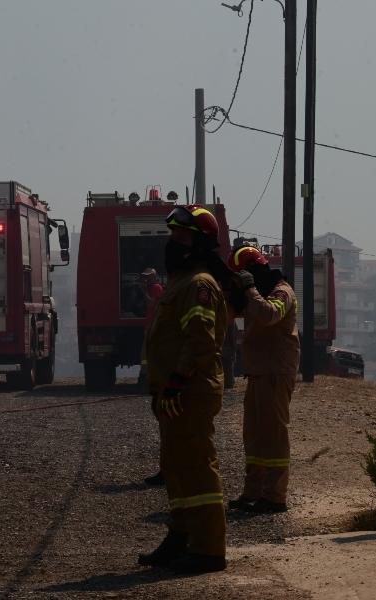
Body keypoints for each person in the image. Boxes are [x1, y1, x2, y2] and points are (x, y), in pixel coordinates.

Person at [138, 205, 228, 575]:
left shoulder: (199, 285)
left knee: (197, 469)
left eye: (181, 238)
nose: (172, 244)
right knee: (175, 469)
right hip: (172, 394)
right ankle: (180, 537)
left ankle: (209, 551)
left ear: (200, 245)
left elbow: (200, 342)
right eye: (171, 236)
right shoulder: (179, 282)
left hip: (189, 391)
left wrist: (176, 382)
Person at [225, 245, 299, 514]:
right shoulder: (258, 294)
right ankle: (253, 491)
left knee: (274, 435)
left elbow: (269, 315)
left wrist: (248, 288)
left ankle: (275, 496)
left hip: (275, 372)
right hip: (258, 372)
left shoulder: (282, 292)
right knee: (254, 436)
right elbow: (234, 312)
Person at [139, 268, 166, 485]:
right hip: (149, 326)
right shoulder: (155, 287)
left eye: (147, 276)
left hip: (151, 326)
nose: (145, 280)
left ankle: (145, 376)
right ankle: (145, 375)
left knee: (146, 354)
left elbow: (150, 304)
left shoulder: (156, 288)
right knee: (144, 354)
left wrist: (142, 291)